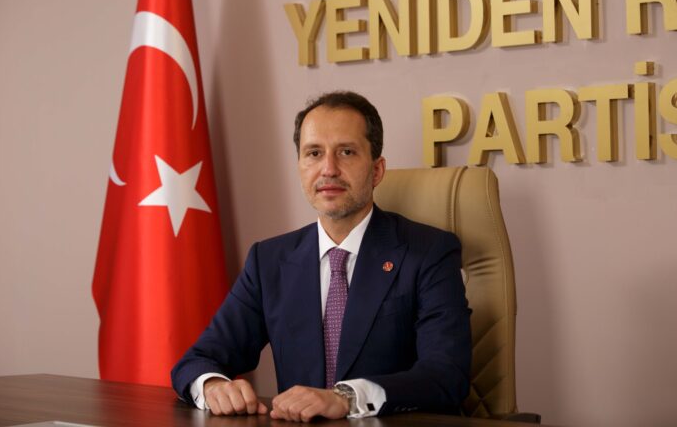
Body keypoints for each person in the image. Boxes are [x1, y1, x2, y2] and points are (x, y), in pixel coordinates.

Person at [171, 91, 471, 422]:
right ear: (300, 167)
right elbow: (197, 360)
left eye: (346, 152)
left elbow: (446, 375)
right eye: (314, 153)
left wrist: (346, 398)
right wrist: (212, 385)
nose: (328, 169)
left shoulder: (430, 252)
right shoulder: (269, 261)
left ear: (376, 170)